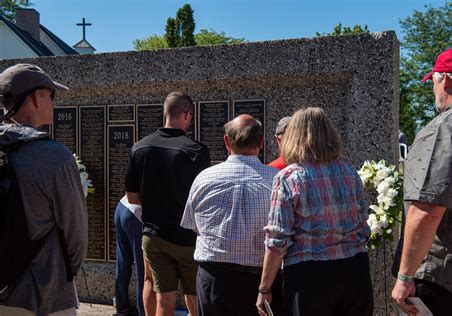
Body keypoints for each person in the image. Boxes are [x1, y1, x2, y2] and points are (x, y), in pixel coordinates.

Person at [256, 107, 373, 316]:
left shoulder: (288, 178)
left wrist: (264, 288)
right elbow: (363, 225)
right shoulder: (349, 172)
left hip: (310, 276)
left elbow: (277, 240)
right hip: (355, 270)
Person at [391, 46, 452, 315]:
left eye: (433, 82)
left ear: (445, 80)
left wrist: (404, 277)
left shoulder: (447, 127)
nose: (433, 91)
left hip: (448, 281)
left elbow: (427, 209)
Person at [0, 64, 88, 315]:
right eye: (51, 95)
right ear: (36, 97)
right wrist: (63, 274)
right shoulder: (53, 156)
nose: (53, 102)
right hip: (44, 295)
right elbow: (76, 233)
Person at [181, 114, 281, 316]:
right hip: (260, 280)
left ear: (226, 141)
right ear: (261, 142)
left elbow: (193, 225)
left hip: (214, 279)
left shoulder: (204, 179)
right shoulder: (277, 181)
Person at [125, 92, 210, 316]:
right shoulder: (196, 151)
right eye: (190, 116)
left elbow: (132, 197)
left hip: (153, 235)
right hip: (187, 238)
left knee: (157, 289)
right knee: (193, 294)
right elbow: (202, 199)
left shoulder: (139, 148)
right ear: (185, 114)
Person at [114, 196, 144, 316]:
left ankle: (121, 306)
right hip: (137, 213)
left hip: (122, 206)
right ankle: (144, 310)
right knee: (143, 269)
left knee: (123, 261)